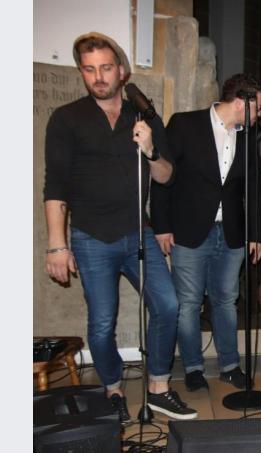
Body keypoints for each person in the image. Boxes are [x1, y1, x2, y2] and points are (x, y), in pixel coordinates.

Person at [43, 32, 197, 422]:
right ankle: (112, 389)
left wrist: (150, 151)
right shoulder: (67, 118)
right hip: (91, 237)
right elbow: (55, 185)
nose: (98, 77)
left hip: (137, 233)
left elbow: (166, 178)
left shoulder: (143, 117)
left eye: (106, 68)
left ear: (122, 71)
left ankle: (159, 387)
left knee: (168, 305)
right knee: (101, 323)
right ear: (82, 72)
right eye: (89, 69)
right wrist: (57, 245)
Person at [150, 74, 261, 392]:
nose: (259, 115)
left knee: (226, 300)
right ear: (241, 102)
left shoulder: (246, 136)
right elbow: (163, 177)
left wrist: (256, 234)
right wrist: (161, 225)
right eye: (258, 108)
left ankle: (229, 366)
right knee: (188, 303)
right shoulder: (185, 124)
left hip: (231, 234)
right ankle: (193, 368)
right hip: (190, 230)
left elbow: (252, 188)